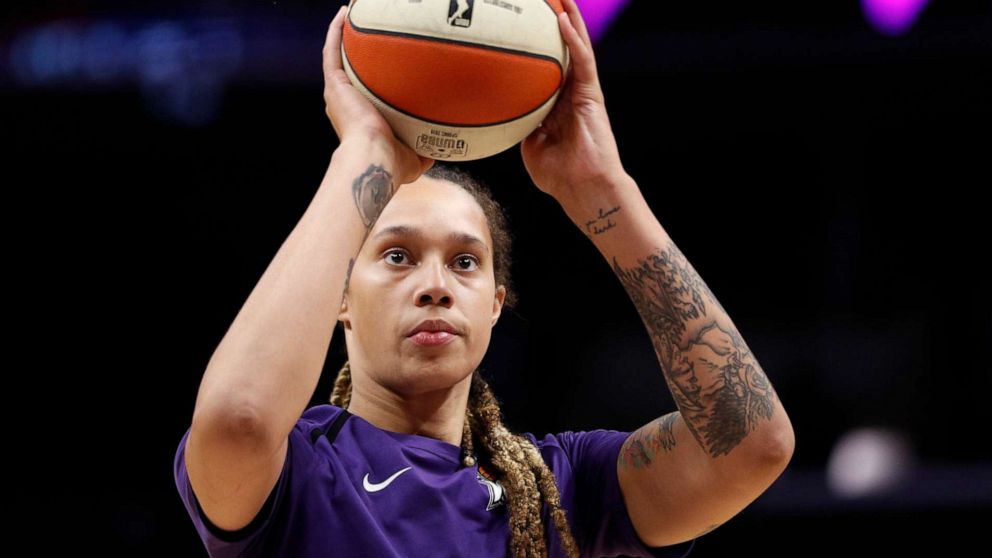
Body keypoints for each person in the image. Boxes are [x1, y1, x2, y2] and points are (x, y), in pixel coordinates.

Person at [174, 1, 795, 556]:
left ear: (496, 304)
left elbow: (751, 444)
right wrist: (362, 152)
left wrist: (602, 190)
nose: (435, 284)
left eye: (465, 261)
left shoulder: (565, 488)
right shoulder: (301, 469)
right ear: (338, 295)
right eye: (397, 255)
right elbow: (240, 417)